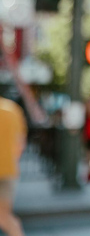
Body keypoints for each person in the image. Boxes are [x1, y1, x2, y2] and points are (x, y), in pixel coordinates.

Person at [0, 95, 27, 236]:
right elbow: (21, 142)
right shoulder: (12, 109)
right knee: (4, 216)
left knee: (3, 216)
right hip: (9, 171)